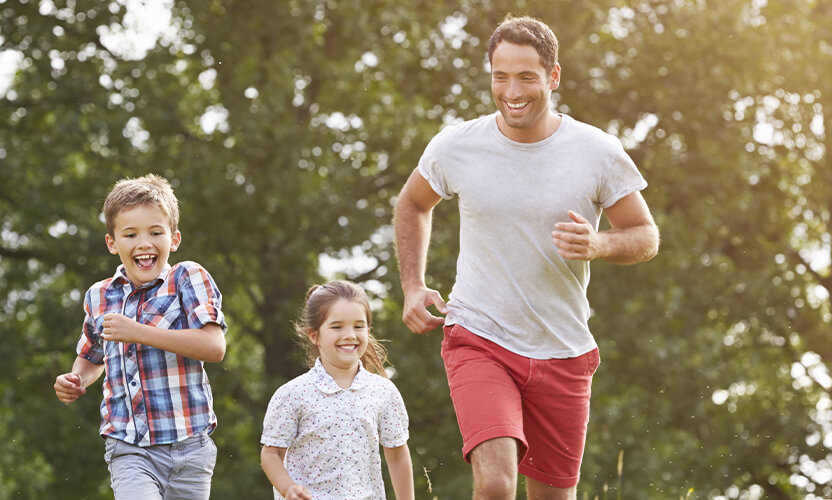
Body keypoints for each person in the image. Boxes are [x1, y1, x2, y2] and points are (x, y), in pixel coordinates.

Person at [393, 15, 660, 500]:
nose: (511, 90)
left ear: (553, 77)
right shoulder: (458, 146)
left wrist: (599, 245)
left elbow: (645, 236)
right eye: (500, 76)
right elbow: (412, 203)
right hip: (480, 336)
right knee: (496, 482)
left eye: (526, 77)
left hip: (563, 348)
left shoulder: (596, 152)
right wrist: (412, 283)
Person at [53, 174, 226, 500]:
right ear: (113, 243)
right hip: (129, 447)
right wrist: (76, 379)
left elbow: (214, 347)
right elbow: (92, 357)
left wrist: (139, 333)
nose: (144, 243)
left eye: (155, 232)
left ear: (173, 239)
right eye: (130, 234)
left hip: (190, 447)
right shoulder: (99, 296)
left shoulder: (186, 278)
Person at [259, 281, 414, 500]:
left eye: (358, 326)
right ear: (315, 336)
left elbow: (397, 454)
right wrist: (288, 488)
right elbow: (271, 454)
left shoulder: (383, 391)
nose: (350, 334)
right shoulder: (293, 394)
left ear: (368, 331)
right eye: (337, 326)